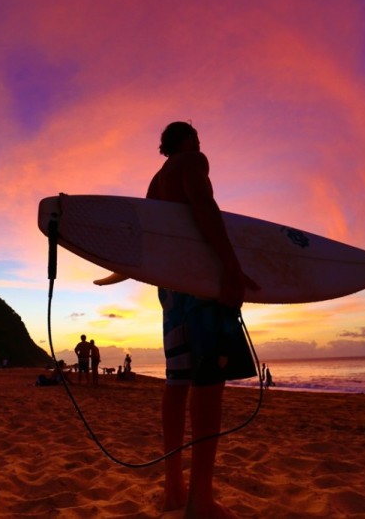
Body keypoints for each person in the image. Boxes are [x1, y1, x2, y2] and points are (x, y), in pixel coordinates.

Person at [147, 121, 258, 519]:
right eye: (197, 138)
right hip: (202, 281)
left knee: (178, 382)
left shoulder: (155, 181)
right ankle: (201, 501)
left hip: (171, 288)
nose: (201, 144)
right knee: (209, 382)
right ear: (186, 141)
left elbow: (153, 238)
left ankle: (173, 489)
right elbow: (204, 206)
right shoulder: (192, 161)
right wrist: (230, 265)